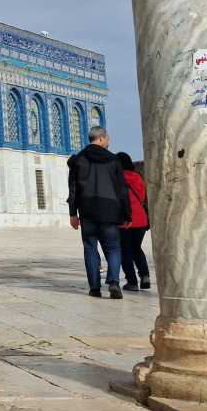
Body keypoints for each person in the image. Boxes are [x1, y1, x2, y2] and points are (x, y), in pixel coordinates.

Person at [67, 126, 131, 299]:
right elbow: (122, 190)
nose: (108, 141)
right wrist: (127, 214)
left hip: (87, 210)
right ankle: (114, 282)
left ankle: (94, 287)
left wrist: (73, 213)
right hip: (109, 210)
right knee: (114, 248)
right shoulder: (113, 160)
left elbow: (73, 189)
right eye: (107, 138)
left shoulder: (78, 159)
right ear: (101, 138)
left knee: (90, 248)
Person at [116, 153, 151, 290]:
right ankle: (145, 276)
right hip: (141, 219)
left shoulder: (117, 178)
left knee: (125, 251)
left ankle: (132, 282)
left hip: (125, 220)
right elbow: (142, 197)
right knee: (137, 248)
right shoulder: (138, 177)